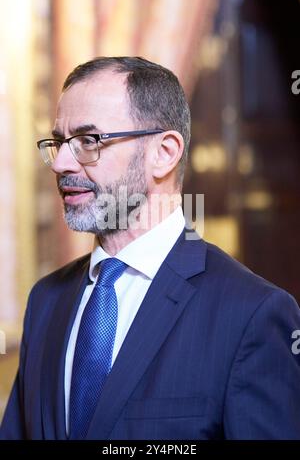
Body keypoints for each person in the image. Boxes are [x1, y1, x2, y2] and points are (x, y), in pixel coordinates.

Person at [1, 56, 300, 440]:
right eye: (59, 142)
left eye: (88, 141)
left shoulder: (252, 314)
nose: (60, 163)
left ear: (164, 153)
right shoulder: (45, 301)